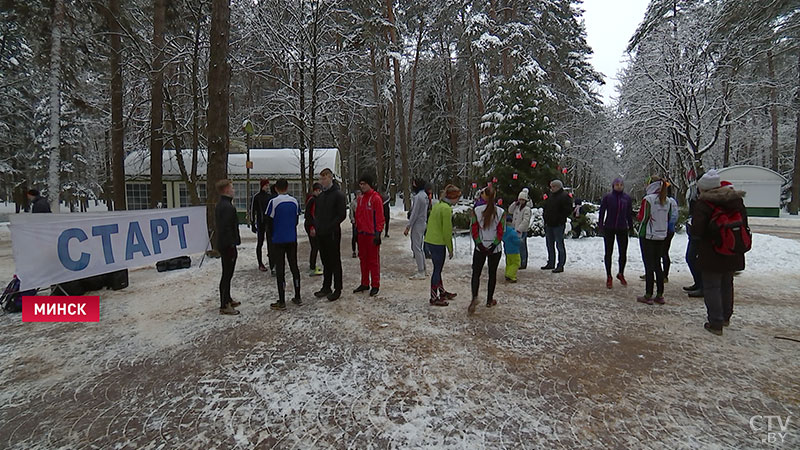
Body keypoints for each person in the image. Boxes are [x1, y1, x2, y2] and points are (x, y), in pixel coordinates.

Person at [692, 170, 748, 335]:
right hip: (732, 249)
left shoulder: (704, 204)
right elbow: (744, 223)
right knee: (726, 284)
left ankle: (715, 322)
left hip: (712, 252)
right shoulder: (735, 201)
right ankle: (725, 317)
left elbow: (698, 231)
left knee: (712, 286)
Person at [636, 177, 675, 305]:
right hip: (661, 235)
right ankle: (660, 295)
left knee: (648, 266)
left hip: (648, 236)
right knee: (658, 265)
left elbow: (643, 217)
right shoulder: (668, 201)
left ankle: (648, 294)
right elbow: (669, 217)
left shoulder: (648, 200)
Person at [265, 179, 302, 311]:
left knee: (280, 269)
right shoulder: (294, 201)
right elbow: (296, 219)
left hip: (278, 240)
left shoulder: (273, 202)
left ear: (276, 188)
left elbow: (268, 221)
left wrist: (272, 234)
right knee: (294, 266)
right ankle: (298, 296)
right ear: (287, 187)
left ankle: (281, 301)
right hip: (292, 238)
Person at [468, 186, 505, 314]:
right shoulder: (500, 212)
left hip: (480, 246)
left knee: (476, 273)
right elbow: (501, 231)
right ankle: (489, 300)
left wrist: (479, 243)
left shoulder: (476, 210)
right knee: (492, 273)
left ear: (484, 196)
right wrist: (494, 244)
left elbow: (474, 229)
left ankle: (474, 297)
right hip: (495, 248)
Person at [313, 168, 347, 301]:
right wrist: (317, 226)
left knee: (335, 261)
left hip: (332, 233)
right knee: (325, 261)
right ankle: (326, 286)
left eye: (325, 178)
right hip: (321, 233)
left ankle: (338, 288)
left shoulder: (338, 195)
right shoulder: (321, 196)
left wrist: (330, 226)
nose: (322, 181)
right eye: (321, 179)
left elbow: (341, 215)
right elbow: (317, 214)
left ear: (331, 178)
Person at [424, 184, 460, 306]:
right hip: (438, 242)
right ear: (453, 197)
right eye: (457, 198)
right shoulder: (446, 209)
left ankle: (442, 291)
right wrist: (450, 248)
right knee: (437, 270)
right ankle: (433, 297)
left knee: (437, 268)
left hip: (430, 240)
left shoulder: (438, 205)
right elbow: (447, 231)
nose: (458, 200)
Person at [353, 174, 385, 297]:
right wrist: (356, 230)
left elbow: (380, 217)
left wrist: (378, 232)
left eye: (364, 184)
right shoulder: (360, 199)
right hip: (362, 234)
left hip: (372, 234)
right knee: (363, 260)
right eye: (360, 184)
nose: (362, 186)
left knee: (373, 261)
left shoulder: (376, 198)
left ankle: (375, 284)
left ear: (369, 184)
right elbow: (358, 216)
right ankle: (365, 282)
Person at [598, 177, 633, 288]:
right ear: (613, 185)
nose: (619, 186)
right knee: (609, 252)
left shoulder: (627, 198)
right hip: (609, 227)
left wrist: (631, 227)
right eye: (617, 184)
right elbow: (602, 211)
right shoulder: (608, 197)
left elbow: (629, 213)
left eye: (621, 184)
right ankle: (609, 275)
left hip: (622, 228)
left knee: (623, 252)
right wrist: (600, 225)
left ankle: (621, 273)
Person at [215, 179, 241, 315]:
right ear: (226, 190)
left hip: (226, 243)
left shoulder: (223, 205)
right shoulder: (227, 207)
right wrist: (232, 243)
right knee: (227, 274)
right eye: (231, 188)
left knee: (228, 274)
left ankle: (228, 298)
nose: (233, 190)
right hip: (227, 245)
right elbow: (226, 227)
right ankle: (224, 304)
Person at [541, 179, 572, 273]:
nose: (552, 188)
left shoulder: (564, 196)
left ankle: (560, 264)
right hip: (549, 224)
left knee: (559, 244)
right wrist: (545, 217)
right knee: (549, 244)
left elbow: (568, 210)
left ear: (558, 187)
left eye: (553, 186)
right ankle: (551, 262)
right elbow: (546, 208)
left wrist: (560, 218)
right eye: (551, 186)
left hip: (558, 224)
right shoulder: (551, 196)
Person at [405, 178, 430, 279]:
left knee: (416, 247)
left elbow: (414, 213)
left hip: (417, 224)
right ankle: (423, 268)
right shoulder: (425, 196)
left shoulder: (418, 197)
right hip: (423, 223)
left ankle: (421, 271)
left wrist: (408, 226)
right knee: (419, 247)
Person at [683, 183, 704, 298]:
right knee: (690, 257)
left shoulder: (704, 201)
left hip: (699, 235)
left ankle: (702, 286)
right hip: (694, 233)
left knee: (693, 258)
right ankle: (698, 282)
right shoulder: (695, 198)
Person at [508, 188, 532, 269]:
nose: (521, 201)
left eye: (522, 200)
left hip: (522, 230)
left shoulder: (527, 209)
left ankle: (523, 262)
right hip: (514, 229)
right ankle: (518, 261)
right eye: (520, 200)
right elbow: (510, 210)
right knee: (516, 247)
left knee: (522, 247)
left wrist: (520, 228)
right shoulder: (516, 207)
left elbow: (526, 220)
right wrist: (515, 203)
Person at [251, 179, 271, 272]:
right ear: (262, 186)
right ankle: (260, 263)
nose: (267, 187)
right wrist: (252, 223)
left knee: (270, 243)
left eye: (268, 185)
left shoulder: (269, 197)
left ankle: (271, 261)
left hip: (269, 222)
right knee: (260, 242)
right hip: (260, 222)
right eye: (266, 185)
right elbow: (252, 211)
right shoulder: (257, 197)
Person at [304, 182, 324, 276]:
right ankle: (312, 266)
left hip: (312, 224)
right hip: (310, 225)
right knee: (315, 246)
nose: (319, 192)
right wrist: (312, 227)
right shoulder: (313, 200)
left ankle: (312, 265)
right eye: (318, 191)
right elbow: (310, 214)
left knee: (316, 246)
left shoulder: (313, 199)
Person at [662, 183, 679, 283]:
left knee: (664, 252)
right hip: (666, 230)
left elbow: (674, 216)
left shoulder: (670, 201)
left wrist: (666, 226)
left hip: (667, 231)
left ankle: (665, 275)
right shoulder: (669, 200)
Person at [349, 190, 362, 259]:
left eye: (360, 194)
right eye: (357, 194)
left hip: (362, 222)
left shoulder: (363, 202)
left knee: (360, 237)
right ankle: (354, 251)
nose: (359, 196)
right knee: (354, 236)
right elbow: (351, 212)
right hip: (355, 222)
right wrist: (352, 219)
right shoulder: (353, 203)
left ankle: (360, 250)